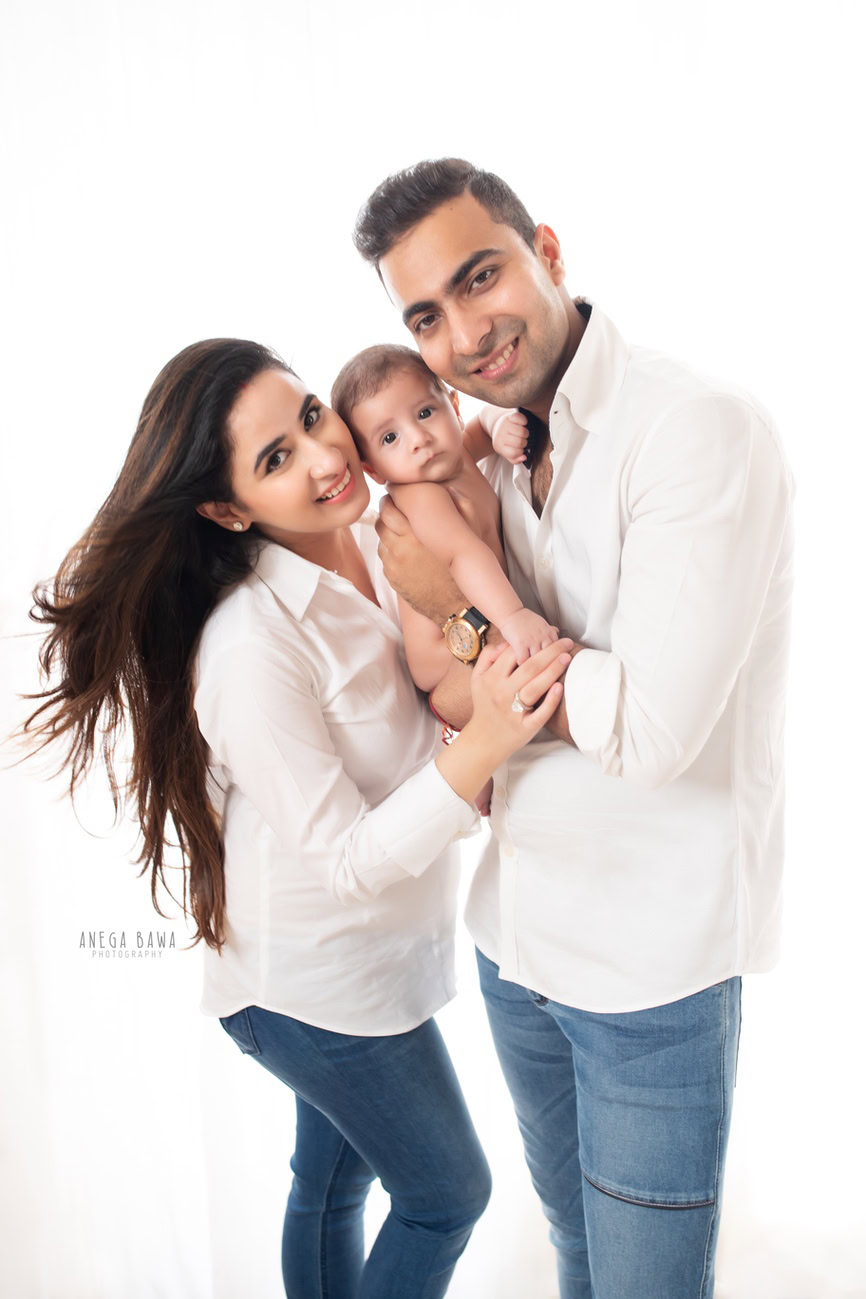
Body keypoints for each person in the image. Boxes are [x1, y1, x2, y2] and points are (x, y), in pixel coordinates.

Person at [20, 337, 574, 1299]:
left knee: (331, 1178)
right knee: (447, 1192)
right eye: (276, 459)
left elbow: (437, 644)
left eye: (312, 414)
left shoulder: (375, 536)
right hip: (305, 987)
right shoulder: (249, 644)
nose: (326, 457)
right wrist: (486, 739)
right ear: (228, 508)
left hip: (366, 958)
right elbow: (348, 861)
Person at [353, 158, 795, 1299]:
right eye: (425, 317)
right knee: (575, 1259)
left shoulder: (692, 430)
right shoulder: (493, 446)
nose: (463, 331)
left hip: (649, 978)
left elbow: (647, 734)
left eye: (479, 276)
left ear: (546, 252)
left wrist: (467, 622)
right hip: (515, 942)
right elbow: (456, 697)